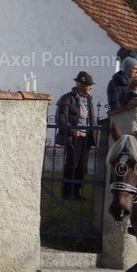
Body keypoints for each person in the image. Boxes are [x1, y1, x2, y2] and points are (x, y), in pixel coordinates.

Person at [55, 71, 97, 200]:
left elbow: (91, 118)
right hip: (74, 137)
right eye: (88, 85)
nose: (91, 87)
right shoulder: (67, 98)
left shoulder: (89, 99)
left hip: (86, 137)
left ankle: (76, 192)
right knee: (72, 165)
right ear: (80, 84)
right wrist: (73, 130)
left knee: (82, 167)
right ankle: (67, 193)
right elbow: (60, 119)